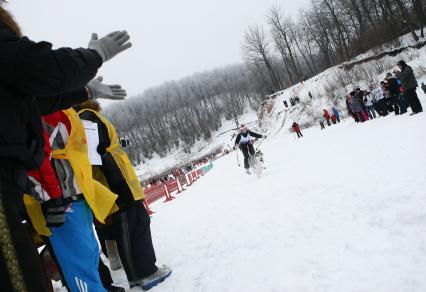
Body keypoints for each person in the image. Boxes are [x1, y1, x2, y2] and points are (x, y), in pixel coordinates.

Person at [0, 3, 131, 291]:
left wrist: (86, 89)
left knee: (87, 260)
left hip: (78, 198)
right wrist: (53, 199)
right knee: (72, 269)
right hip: (58, 203)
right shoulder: (33, 99)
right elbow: (45, 157)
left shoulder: (58, 109)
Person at [76, 100, 172, 290]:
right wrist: (118, 186)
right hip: (117, 185)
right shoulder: (87, 117)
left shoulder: (90, 116)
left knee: (140, 223)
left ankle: (147, 269)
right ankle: (139, 275)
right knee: (129, 229)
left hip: (125, 182)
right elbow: (97, 156)